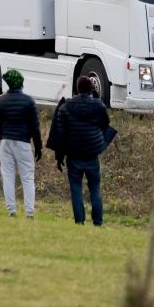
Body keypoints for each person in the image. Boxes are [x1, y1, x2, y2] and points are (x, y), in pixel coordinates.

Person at [53, 76, 110, 226]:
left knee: (76, 189)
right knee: (95, 189)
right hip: (92, 153)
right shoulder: (98, 106)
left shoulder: (65, 107)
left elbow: (61, 134)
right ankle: (97, 222)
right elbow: (105, 123)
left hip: (73, 154)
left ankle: (79, 221)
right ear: (92, 88)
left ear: (77, 88)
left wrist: (59, 157)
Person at [0, 69, 41, 219]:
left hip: (5, 142)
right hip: (23, 142)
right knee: (27, 178)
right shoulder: (28, 101)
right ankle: (29, 213)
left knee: (7, 177)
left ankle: (12, 211)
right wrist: (38, 147)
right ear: (21, 84)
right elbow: (35, 127)